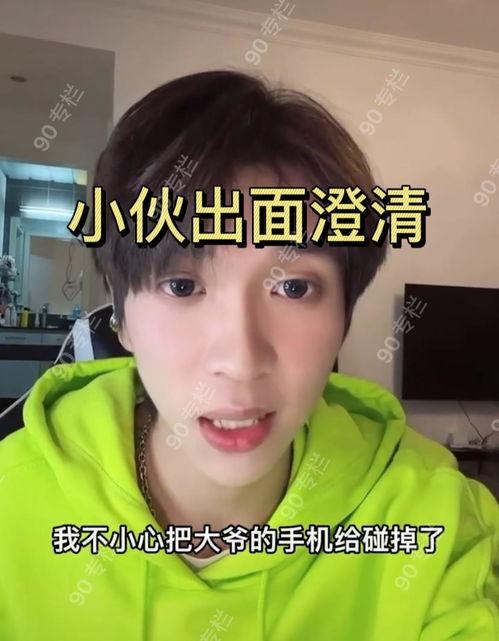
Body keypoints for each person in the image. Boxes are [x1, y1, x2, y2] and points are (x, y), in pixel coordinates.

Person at [0, 69, 497, 641]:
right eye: (182, 286)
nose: (240, 361)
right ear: (121, 312)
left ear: (344, 314)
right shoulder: (13, 504)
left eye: (293, 287)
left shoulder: (434, 521)